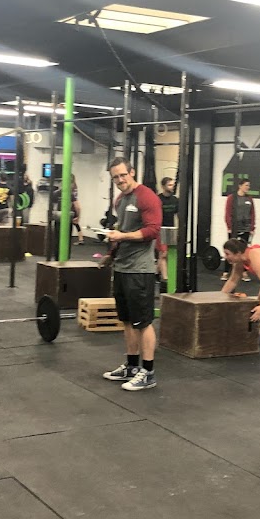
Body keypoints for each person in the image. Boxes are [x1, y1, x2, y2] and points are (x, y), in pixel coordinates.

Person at [101, 157, 162, 391]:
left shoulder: (146, 197)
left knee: (143, 322)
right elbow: (122, 229)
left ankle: (148, 372)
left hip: (140, 270)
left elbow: (152, 230)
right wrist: (111, 254)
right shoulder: (120, 200)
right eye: (115, 177)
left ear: (132, 172)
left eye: (123, 175)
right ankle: (132, 365)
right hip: (122, 267)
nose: (120, 180)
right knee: (127, 320)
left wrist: (123, 236)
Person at [222, 177, 255, 281]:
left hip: (246, 227)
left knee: (244, 251)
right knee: (231, 249)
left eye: (249, 186)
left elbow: (252, 213)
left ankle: (244, 272)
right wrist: (229, 227)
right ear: (240, 186)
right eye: (246, 185)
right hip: (235, 227)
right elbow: (227, 213)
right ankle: (226, 272)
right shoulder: (232, 198)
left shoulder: (249, 199)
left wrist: (252, 227)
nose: (248, 187)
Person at [156, 177, 178, 287]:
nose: (172, 187)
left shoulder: (175, 200)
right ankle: (165, 279)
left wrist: (180, 229)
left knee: (166, 254)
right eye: (169, 185)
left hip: (171, 229)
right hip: (160, 229)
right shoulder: (157, 199)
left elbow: (178, 215)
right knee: (164, 254)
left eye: (173, 185)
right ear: (163, 186)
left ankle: (155, 272)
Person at [71, 175, 84, 245]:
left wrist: (78, 215)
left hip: (72, 207)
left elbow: (75, 201)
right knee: (76, 223)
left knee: (74, 223)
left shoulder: (72, 187)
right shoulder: (75, 186)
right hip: (73, 206)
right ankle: (81, 238)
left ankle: (81, 239)